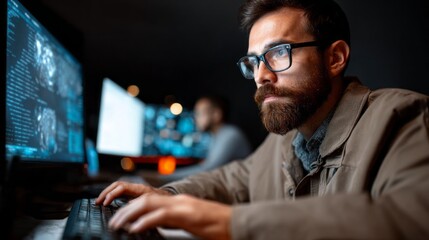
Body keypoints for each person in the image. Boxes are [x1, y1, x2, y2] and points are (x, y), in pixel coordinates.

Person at [96, 0, 429, 239]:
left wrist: (232, 224)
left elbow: (412, 219)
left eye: (279, 53)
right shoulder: (284, 139)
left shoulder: (405, 117)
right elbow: (229, 181)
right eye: (254, 62)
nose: (261, 75)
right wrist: (167, 194)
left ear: (335, 58)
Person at [157, 95, 252, 183]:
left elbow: (208, 169)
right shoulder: (218, 135)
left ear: (216, 114)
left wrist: (161, 177)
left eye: (199, 113)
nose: (195, 118)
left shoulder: (230, 135)